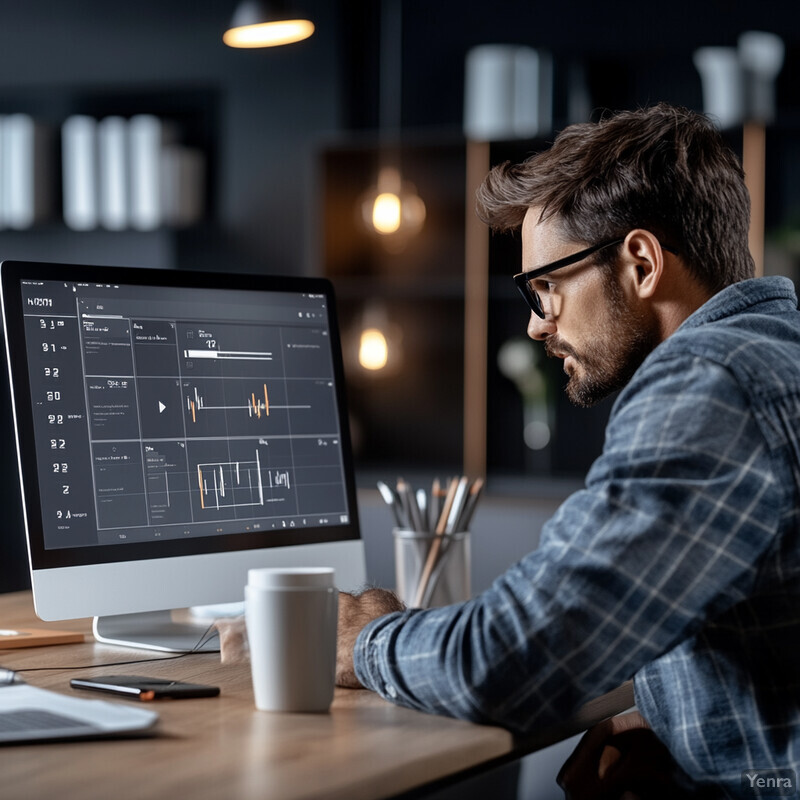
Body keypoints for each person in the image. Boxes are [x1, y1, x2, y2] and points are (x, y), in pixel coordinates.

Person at [335, 103, 800, 798]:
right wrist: (672, 722)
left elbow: (510, 662)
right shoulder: (777, 352)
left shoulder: (711, 383)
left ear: (640, 262)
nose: (534, 324)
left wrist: (360, 638)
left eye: (546, 287)